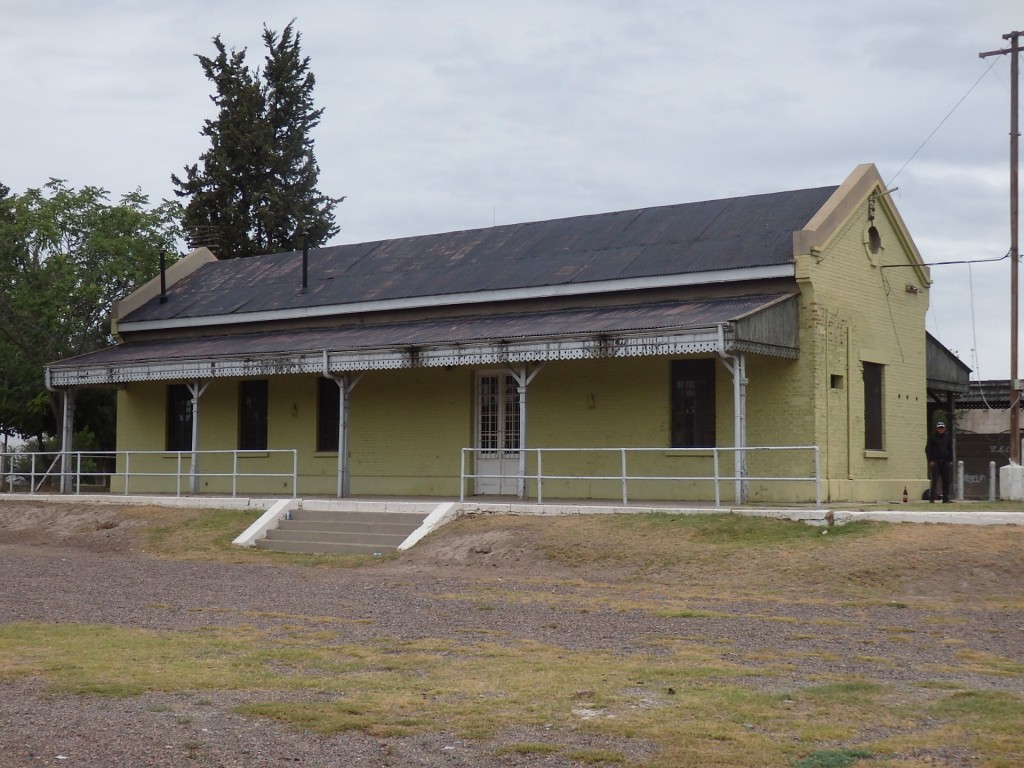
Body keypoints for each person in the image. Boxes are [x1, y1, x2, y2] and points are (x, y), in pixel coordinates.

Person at [925, 421, 953, 503]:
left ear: (945, 428)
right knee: (935, 481)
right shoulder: (932, 438)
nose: (941, 429)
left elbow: (950, 449)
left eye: (942, 428)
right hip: (936, 462)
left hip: (945, 462)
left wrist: (950, 460)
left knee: (946, 480)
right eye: (939, 428)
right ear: (936, 428)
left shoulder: (948, 438)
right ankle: (932, 499)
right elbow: (928, 449)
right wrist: (930, 460)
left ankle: (946, 499)